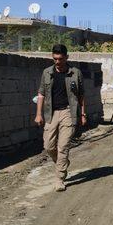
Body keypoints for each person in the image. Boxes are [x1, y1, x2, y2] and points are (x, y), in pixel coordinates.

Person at [34, 44, 86, 192]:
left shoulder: (75, 73)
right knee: (48, 146)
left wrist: (83, 114)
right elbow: (41, 94)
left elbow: (82, 95)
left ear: (66, 57)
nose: (57, 61)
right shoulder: (47, 72)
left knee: (63, 147)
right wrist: (38, 114)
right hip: (51, 113)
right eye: (55, 58)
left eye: (60, 58)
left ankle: (59, 178)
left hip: (68, 112)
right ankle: (62, 163)